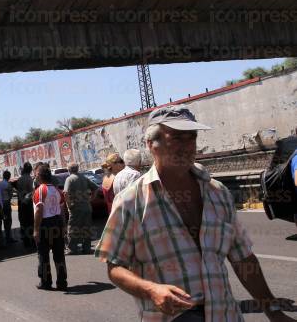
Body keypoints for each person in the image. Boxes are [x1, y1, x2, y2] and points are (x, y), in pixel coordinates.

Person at [97, 105, 294, 322]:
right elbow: (115, 267)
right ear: (151, 144)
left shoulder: (217, 193)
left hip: (225, 315)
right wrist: (151, 289)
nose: (187, 146)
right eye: (177, 138)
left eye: (191, 137)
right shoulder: (130, 202)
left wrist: (273, 311)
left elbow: (243, 259)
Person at [33, 165, 67, 291]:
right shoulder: (57, 190)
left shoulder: (40, 190)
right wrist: (63, 226)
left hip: (45, 224)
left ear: (40, 176)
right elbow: (62, 209)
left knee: (43, 254)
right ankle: (62, 282)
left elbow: (39, 210)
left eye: (36, 175)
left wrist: (36, 229)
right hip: (57, 222)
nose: (35, 177)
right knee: (59, 254)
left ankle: (46, 282)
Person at [63, 162, 98, 255]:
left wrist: (69, 204)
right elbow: (96, 188)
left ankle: (72, 249)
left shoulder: (69, 179)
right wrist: (91, 199)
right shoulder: (84, 177)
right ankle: (86, 248)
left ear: (69, 170)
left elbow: (65, 193)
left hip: (76, 208)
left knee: (73, 228)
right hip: (87, 207)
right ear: (77, 169)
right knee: (86, 228)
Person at [16, 162, 35, 249]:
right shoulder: (29, 179)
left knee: (24, 222)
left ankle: (26, 241)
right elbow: (31, 192)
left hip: (21, 202)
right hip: (28, 203)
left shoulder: (20, 179)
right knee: (31, 222)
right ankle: (33, 241)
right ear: (30, 170)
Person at [0, 171, 17, 244]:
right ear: (8, 177)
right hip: (6, 203)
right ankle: (9, 237)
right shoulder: (8, 185)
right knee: (8, 221)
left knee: (4, 220)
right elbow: (11, 195)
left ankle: (6, 237)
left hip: (1, 203)